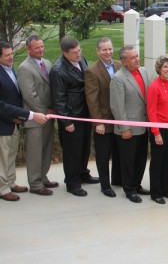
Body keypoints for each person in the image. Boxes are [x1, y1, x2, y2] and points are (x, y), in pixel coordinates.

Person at [50, 37, 99, 197]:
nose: (78, 54)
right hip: (72, 116)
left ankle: (83, 173)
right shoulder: (58, 70)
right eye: (74, 53)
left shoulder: (81, 60)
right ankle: (72, 182)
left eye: (79, 50)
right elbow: (58, 99)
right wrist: (66, 121)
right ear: (65, 53)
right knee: (73, 152)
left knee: (85, 148)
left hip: (85, 113)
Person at [0, 42, 48, 201]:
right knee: (2, 158)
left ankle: (11, 182)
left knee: (11, 155)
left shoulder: (9, 69)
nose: (11, 57)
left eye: (11, 53)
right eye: (7, 55)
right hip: (3, 123)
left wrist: (18, 117)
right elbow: (1, 105)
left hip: (14, 121)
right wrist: (28, 114)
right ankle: (3, 188)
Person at [17, 35, 58, 196]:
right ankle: (35, 183)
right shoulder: (24, 68)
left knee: (46, 149)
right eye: (37, 47)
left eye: (42, 46)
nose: (41, 50)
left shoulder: (46, 63)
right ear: (28, 49)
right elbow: (30, 95)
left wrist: (52, 109)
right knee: (35, 151)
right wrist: (44, 111)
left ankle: (43, 177)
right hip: (35, 118)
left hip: (49, 115)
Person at [110, 46, 150, 203]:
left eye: (137, 56)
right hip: (128, 129)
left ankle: (137, 184)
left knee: (141, 158)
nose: (137, 59)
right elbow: (117, 106)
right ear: (124, 61)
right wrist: (124, 128)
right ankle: (129, 189)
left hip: (143, 124)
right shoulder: (118, 78)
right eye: (133, 57)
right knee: (128, 160)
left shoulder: (144, 72)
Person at [84, 37, 122, 198]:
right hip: (103, 121)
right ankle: (105, 185)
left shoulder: (119, 65)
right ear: (98, 51)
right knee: (103, 154)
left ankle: (118, 180)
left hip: (118, 119)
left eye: (110, 49)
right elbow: (92, 100)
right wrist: (98, 122)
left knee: (118, 152)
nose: (108, 52)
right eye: (104, 49)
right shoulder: (92, 71)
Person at [147, 55, 168, 204]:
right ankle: (156, 192)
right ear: (159, 69)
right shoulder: (154, 87)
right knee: (157, 162)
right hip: (159, 130)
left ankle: (165, 190)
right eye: (165, 67)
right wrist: (156, 133)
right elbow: (151, 112)